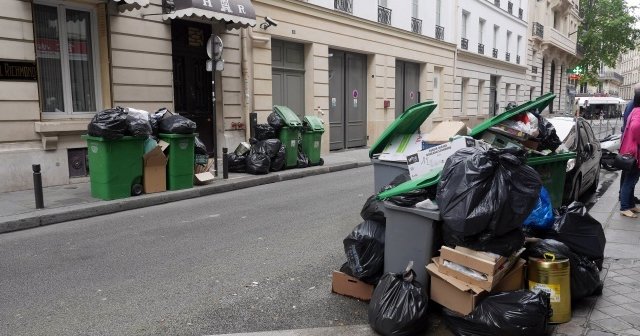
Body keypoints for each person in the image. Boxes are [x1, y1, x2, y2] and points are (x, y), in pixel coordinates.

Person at [619, 88, 640, 217]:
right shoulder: (638, 112)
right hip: (635, 151)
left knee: (631, 178)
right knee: (631, 179)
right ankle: (625, 207)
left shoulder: (634, 110)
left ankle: (630, 204)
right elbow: (635, 127)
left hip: (630, 149)